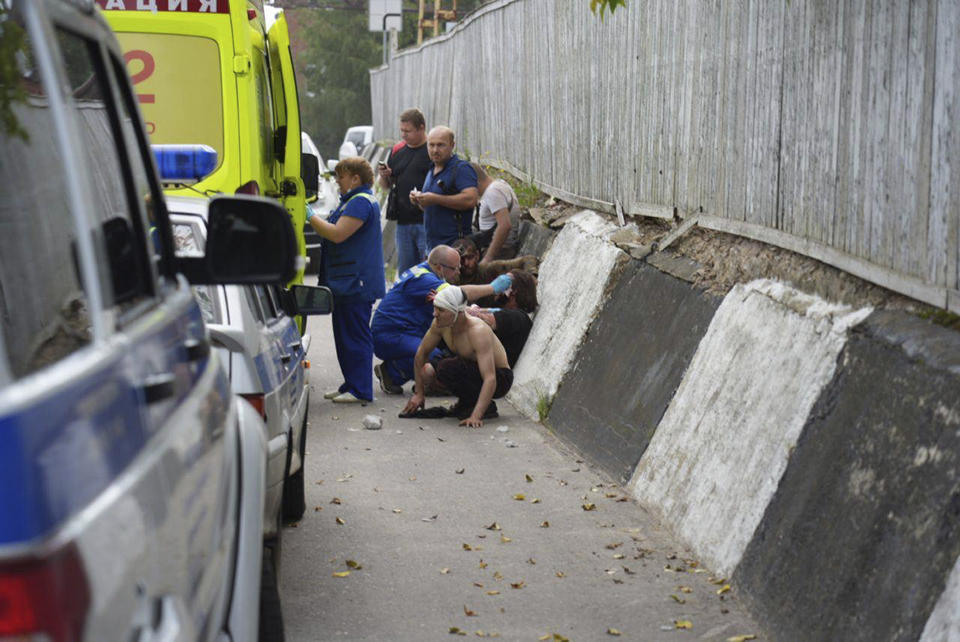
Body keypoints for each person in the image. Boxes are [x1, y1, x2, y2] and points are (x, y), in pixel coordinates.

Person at [371, 245, 512, 394]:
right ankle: (393, 373)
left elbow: (457, 307)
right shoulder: (424, 279)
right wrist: (492, 288)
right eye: (454, 268)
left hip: (402, 331)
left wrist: (489, 311)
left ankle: (401, 373)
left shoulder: (423, 272)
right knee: (435, 359)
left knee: (440, 350)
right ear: (439, 267)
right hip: (391, 335)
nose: (458, 272)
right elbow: (458, 294)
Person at [307, 157, 385, 403]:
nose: (338, 182)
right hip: (347, 281)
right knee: (344, 335)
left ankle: (361, 389)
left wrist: (310, 216)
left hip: (356, 282)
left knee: (355, 335)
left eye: (341, 176)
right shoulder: (352, 201)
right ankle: (351, 383)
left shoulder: (360, 202)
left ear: (355, 178)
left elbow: (337, 234)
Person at [401, 285, 513, 427]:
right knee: (441, 367)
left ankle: (484, 408)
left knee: (449, 367)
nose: (435, 314)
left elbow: (490, 378)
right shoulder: (440, 324)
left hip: (500, 378)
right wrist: (419, 393)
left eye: (441, 310)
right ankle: (467, 403)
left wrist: (476, 417)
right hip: (474, 369)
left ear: (457, 312)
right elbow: (421, 354)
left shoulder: (477, 331)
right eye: (435, 308)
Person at [378, 108, 432, 274]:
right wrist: (384, 175)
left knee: (428, 271)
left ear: (421, 128)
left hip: (426, 222)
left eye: (407, 131)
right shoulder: (398, 151)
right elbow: (385, 185)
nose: (403, 135)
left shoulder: (432, 151)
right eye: (402, 130)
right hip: (403, 223)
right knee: (406, 273)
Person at [409, 126, 478, 249]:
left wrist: (435, 198)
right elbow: (432, 207)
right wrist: (419, 200)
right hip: (432, 248)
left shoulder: (461, 168)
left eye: (441, 145)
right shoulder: (432, 169)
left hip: (456, 249)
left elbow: (470, 200)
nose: (435, 150)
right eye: (431, 145)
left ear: (452, 145)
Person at [465, 269, 537, 368]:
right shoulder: (506, 314)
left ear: (514, 291)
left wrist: (490, 288)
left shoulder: (518, 317)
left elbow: (482, 317)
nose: (499, 284)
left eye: (505, 282)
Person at [468, 162, 521, 261]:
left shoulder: (493, 192)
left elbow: (504, 226)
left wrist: (487, 259)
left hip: (500, 252)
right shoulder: (496, 186)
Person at [452, 236, 537, 290]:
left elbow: (528, 259)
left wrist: (531, 276)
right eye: (462, 259)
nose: (466, 263)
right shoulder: (453, 280)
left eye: (470, 258)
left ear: (477, 256)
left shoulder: (488, 270)